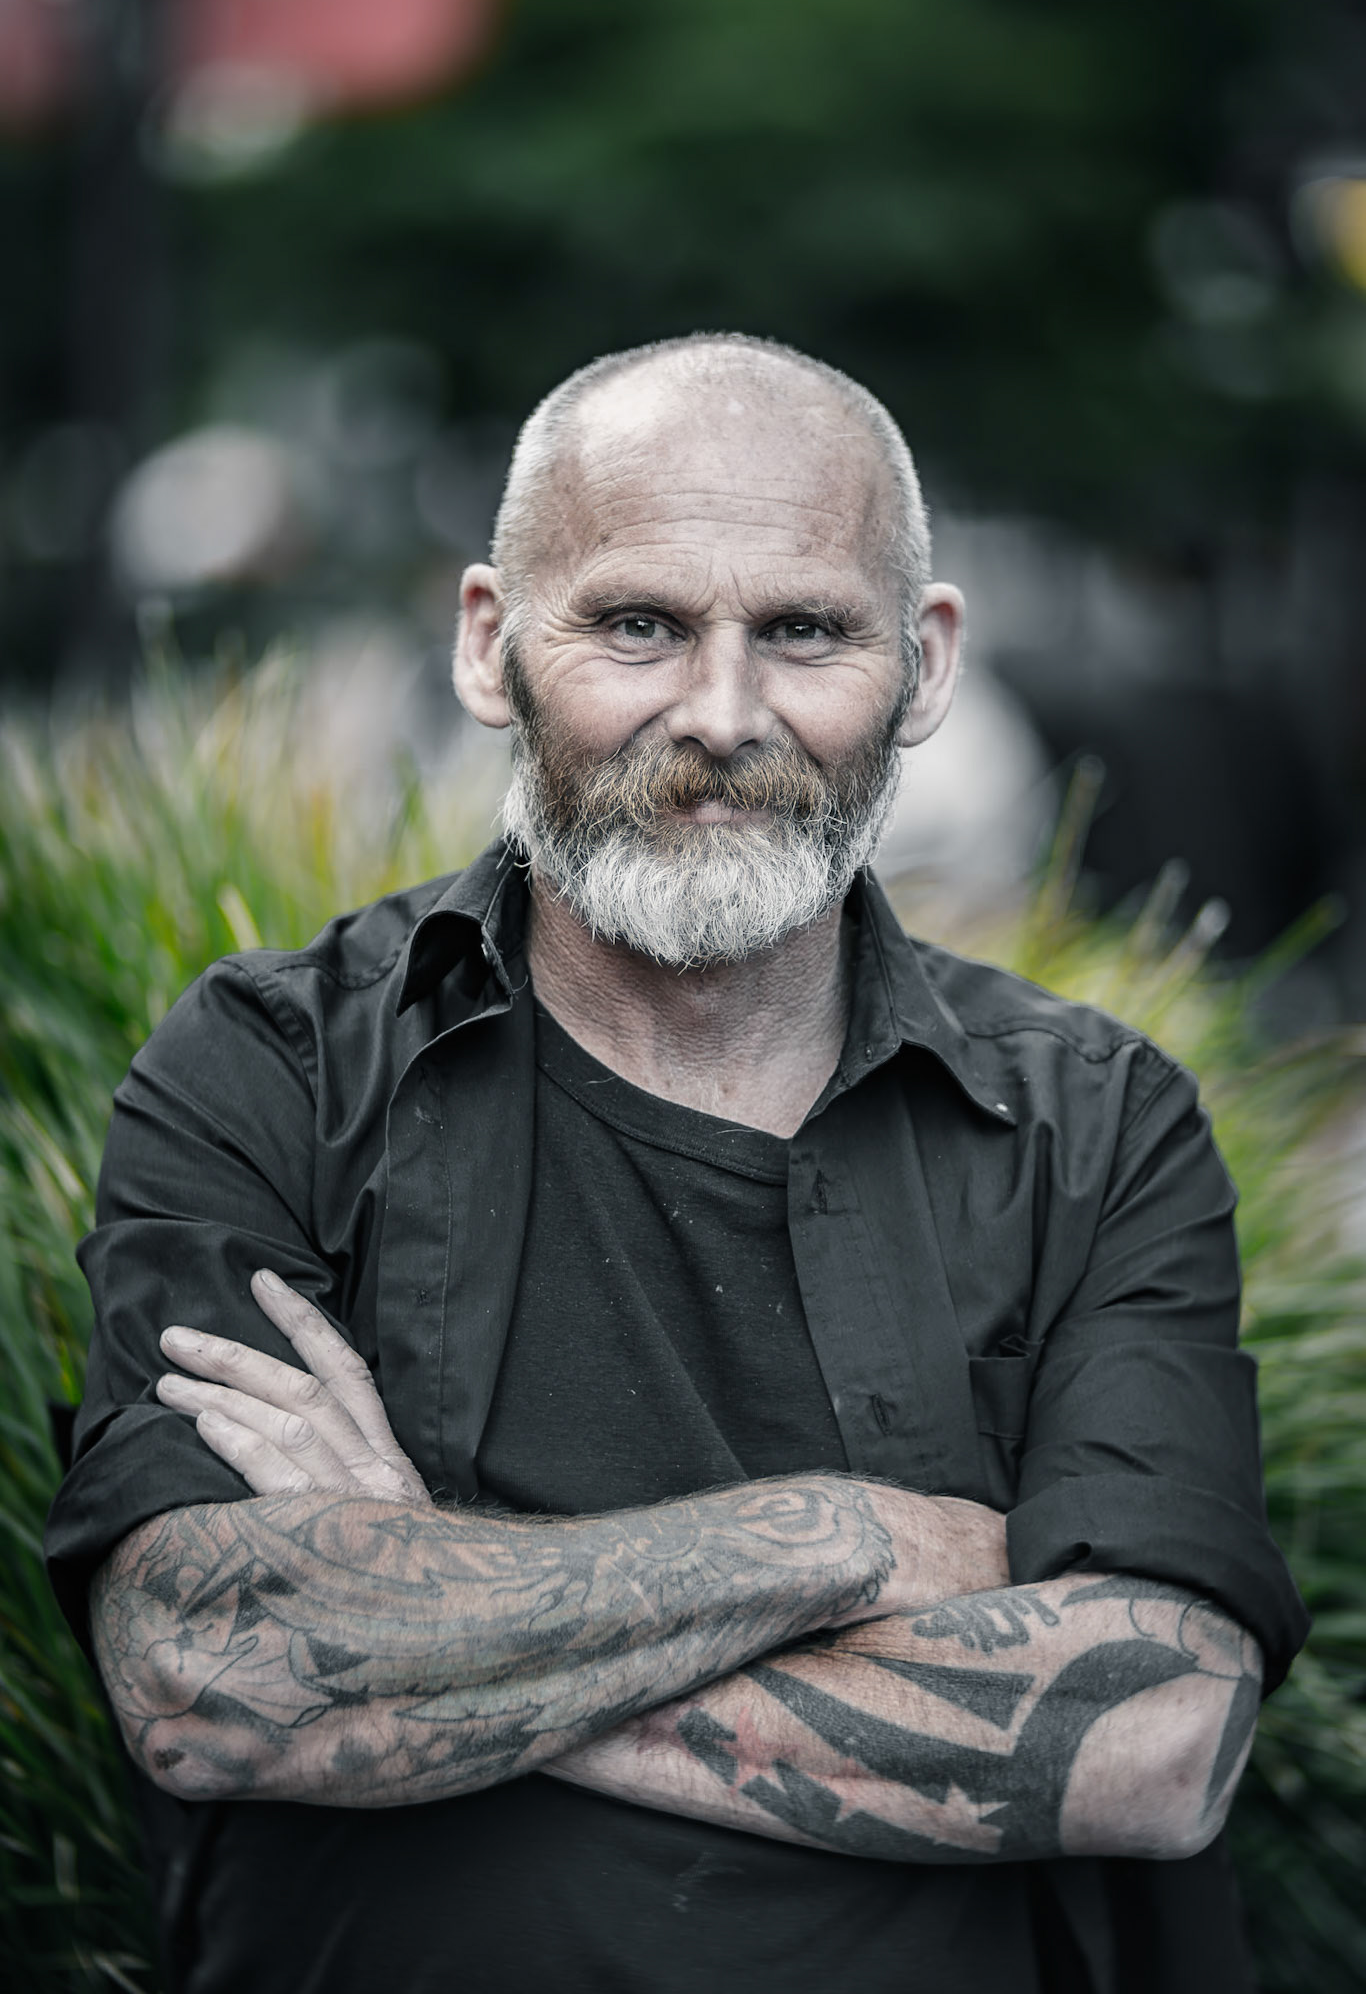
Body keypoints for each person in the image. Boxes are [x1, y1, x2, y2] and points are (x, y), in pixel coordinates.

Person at [45, 334, 1308, 1994]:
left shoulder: (1090, 1123)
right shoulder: (276, 1072)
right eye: (637, 625)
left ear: (922, 666)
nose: (721, 714)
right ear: (492, 645)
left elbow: (1147, 1741)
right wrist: (846, 1540)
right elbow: (210, 1674)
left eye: (802, 631)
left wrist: (418, 1618)